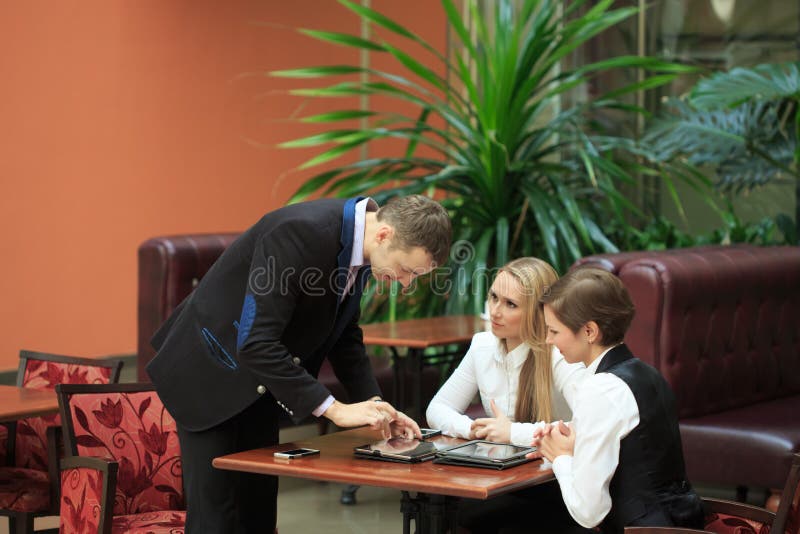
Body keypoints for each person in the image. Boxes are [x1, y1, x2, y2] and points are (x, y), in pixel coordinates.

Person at [146, 195, 452, 533]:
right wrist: (333, 409)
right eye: (407, 271)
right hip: (210, 373)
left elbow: (344, 335)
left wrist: (378, 408)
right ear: (384, 235)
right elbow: (256, 341)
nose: (407, 284)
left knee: (258, 516)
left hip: (264, 382)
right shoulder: (299, 232)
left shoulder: (366, 249)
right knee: (216, 521)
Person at [533, 266, 704, 533]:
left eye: (554, 331)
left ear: (590, 331)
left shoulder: (599, 389)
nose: (547, 340)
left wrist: (562, 459)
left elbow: (589, 512)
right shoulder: (647, 373)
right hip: (684, 523)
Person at [425, 257, 589, 534]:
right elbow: (438, 408)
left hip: (559, 483)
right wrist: (473, 429)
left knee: (477, 516)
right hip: (504, 477)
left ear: (539, 313)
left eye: (510, 304)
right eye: (493, 297)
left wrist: (512, 432)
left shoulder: (559, 353)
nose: (495, 311)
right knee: (446, 507)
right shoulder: (483, 345)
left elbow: (587, 427)